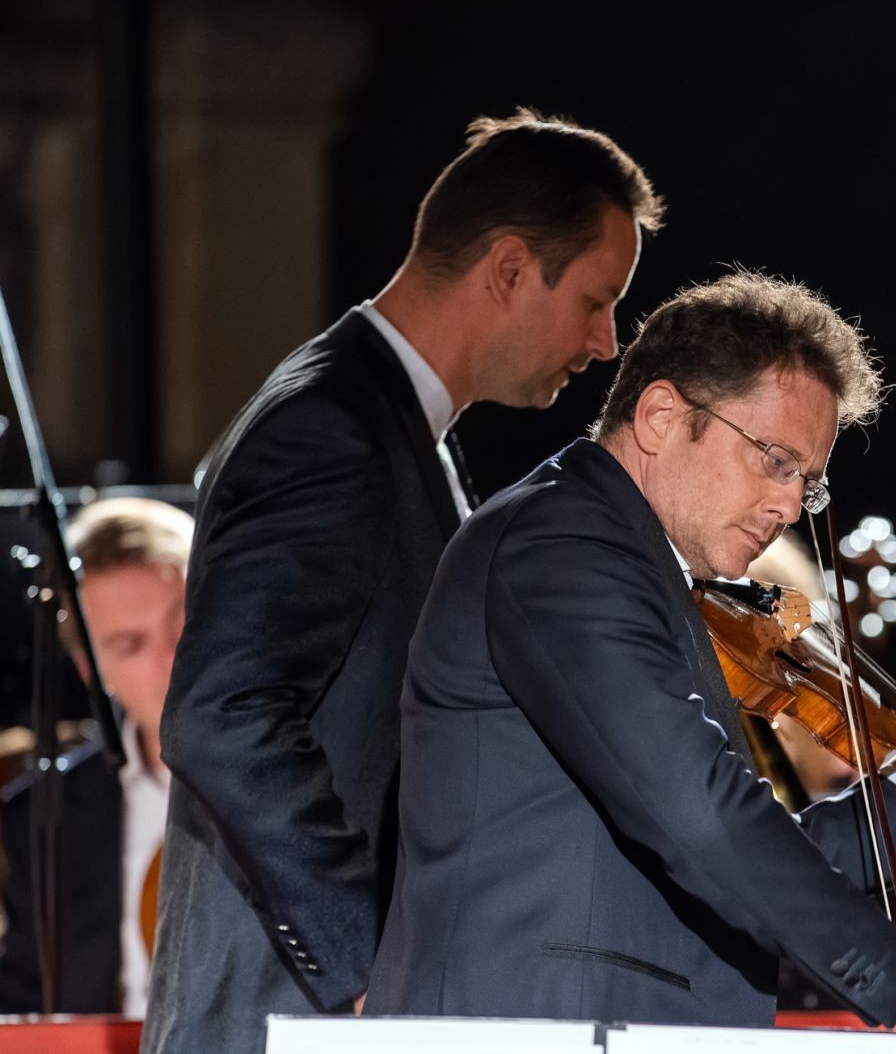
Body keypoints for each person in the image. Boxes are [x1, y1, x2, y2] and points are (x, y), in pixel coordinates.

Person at [366, 272, 896, 1054]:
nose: (790, 506)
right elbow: (700, 816)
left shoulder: (633, 563)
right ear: (662, 416)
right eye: (776, 461)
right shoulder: (561, 543)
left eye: (807, 483)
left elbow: (712, 841)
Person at [145, 109, 662, 1054]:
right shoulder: (330, 428)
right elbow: (223, 715)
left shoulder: (390, 425)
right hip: (285, 1018)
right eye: (597, 300)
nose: (606, 341)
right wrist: (366, 970)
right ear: (509, 270)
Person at [69, 498, 192, 1016]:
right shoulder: (45, 817)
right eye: (130, 644)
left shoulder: (321, 770)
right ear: (91, 671)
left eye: (183, 620)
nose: (171, 657)